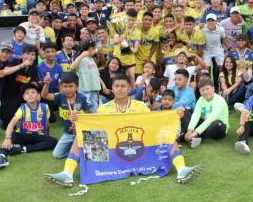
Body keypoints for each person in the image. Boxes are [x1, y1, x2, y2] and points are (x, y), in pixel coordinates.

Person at [43, 74, 202, 186]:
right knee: (82, 137)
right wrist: (79, 122)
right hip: (110, 152)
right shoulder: (103, 109)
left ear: (129, 88)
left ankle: (181, 169)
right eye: (116, 86)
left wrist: (175, 113)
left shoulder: (140, 106)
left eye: (123, 86)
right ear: (111, 88)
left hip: (140, 150)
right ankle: (67, 174)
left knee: (165, 135)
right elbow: (94, 130)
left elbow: (153, 125)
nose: (120, 89)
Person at [0, 83, 58, 169]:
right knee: (11, 138)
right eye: (27, 93)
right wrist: (7, 138)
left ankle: (22, 149)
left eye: (33, 92)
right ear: (24, 97)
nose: (30, 94)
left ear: (38, 95)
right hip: (23, 135)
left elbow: (47, 123)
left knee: (53, 141)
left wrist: (47, 134)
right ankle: (2, 157)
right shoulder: (22, 109)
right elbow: (12, 123)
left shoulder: (45, 107)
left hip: (38, 135)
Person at [41, 72, 92, 159]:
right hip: (68, 134)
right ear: (61, 86)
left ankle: (78, 149)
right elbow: (44, 95)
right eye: (65, 86)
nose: (68, 89)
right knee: (56, 155)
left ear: (77, 87)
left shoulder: (83, 98)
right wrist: (46, 84)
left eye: (71, 86)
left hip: (81, 133)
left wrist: (79, 124)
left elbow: (89, 117)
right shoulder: (60, 97)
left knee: (91, 154)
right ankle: (75, 150)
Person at [0, 44, 38, 128]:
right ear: (22, 55)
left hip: (21, 94)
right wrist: (22, 65)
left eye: (32, 54)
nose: (30, 56)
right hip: (7, 94)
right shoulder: (15, 61)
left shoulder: (34, 68)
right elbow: (5, 72)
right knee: (6, 124)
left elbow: (33, 83)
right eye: (27, 53)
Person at [183, 79, 228, 148]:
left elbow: (211, 119)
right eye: (202, 90)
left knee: (217, 123)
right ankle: (191, 136)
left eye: (207, 89)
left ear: (213, 88)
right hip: (205, 124)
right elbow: (196, 115)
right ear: (200, 92)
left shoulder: (220, 100)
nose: (205, 92)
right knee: (184, 112)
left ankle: (192, 137)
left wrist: (196, 132)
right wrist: (190, 130)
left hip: (218, 127)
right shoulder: (200, 99)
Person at [70, 40, 101, 113]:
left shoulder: (92, 60)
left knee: (94, 107)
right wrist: (82, 55)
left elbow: (97, 74)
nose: (95, 51)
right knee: (84, 107)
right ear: (90, 49)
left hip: (94, 88)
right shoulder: (81, 59)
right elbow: (72, 67)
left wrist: (103, 85)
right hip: (84, 89)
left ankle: (94, 122)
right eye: (94, 48)